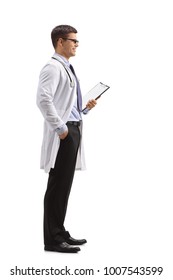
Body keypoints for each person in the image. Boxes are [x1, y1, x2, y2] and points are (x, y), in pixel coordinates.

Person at [36, 25, 97, 253]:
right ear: (60, 41)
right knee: (57, 186)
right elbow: (43, 100)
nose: (76, 44)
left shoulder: (67, 68)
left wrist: (84, 109)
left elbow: (66, 104)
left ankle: (59, 232)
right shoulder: (52, 68)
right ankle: (52, 240)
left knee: (64, 186)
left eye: (77, 41)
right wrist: (61, 129)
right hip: (64, 134)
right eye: (73, 40)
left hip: (73, 129)